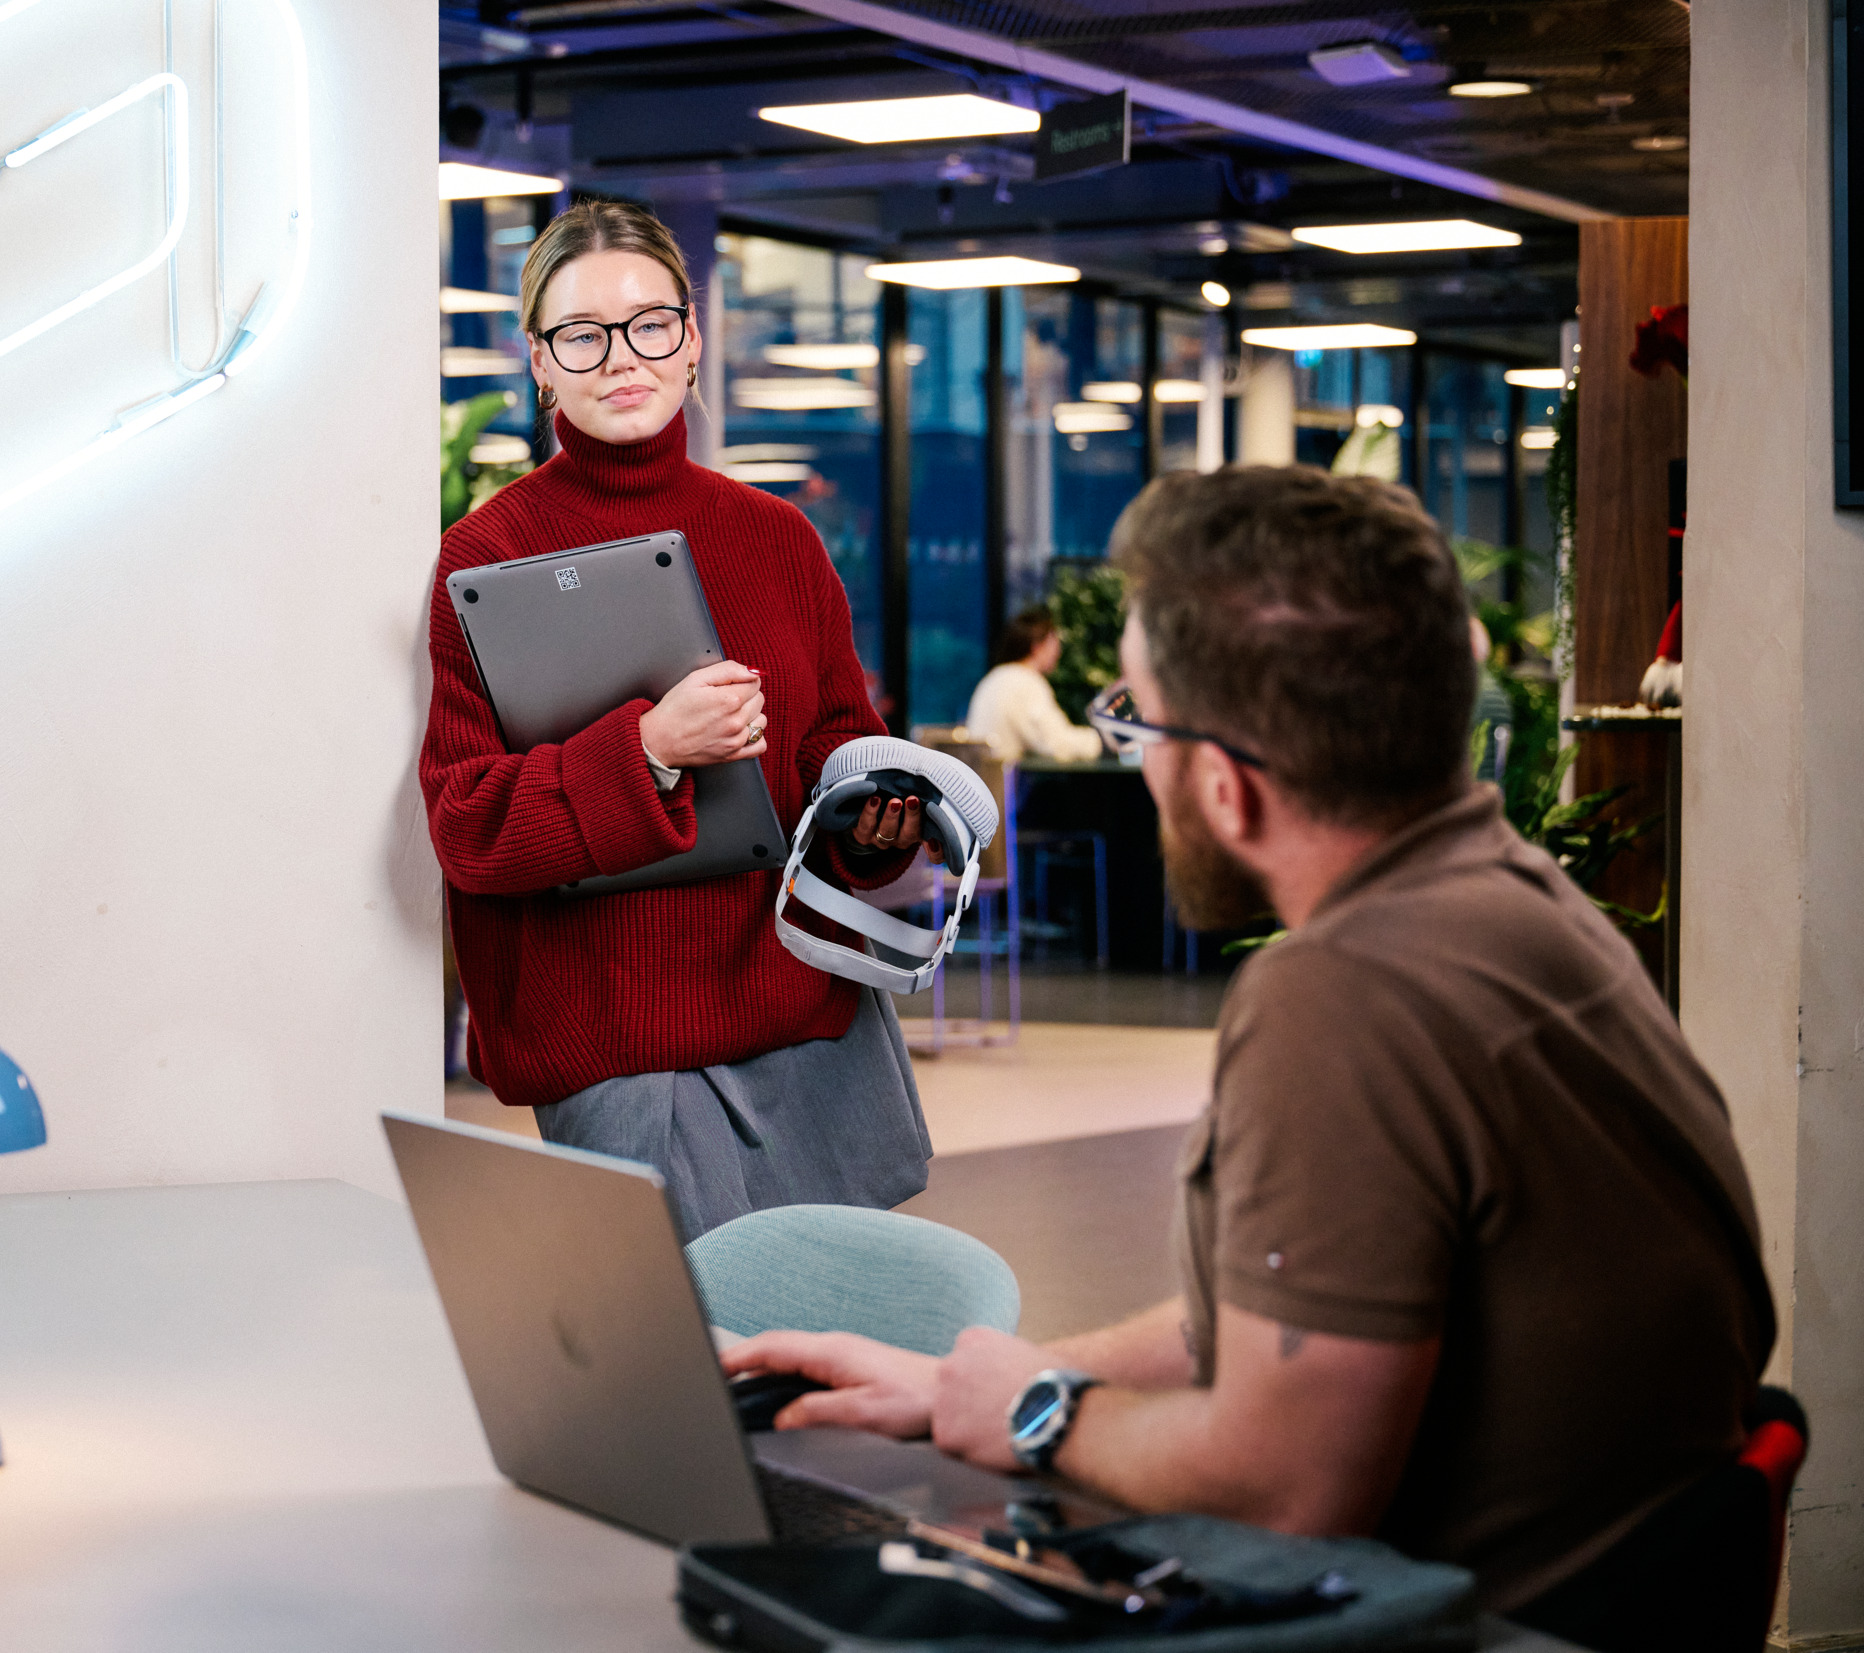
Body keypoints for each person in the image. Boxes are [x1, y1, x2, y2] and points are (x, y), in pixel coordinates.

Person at [724, 466, 1774, 1631]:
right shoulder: (1518, 907)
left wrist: (1041, 1416)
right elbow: (1299, 1327)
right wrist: (975, 1384)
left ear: (1222, 784)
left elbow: (1294, 1485)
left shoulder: (1342, 995)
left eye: (1137, 721)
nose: (1136, 757)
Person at [421, 199, 934, 1241]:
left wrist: (880, 811)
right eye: (581, 335)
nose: (622, 358)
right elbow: (468, 826)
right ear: (540, 362)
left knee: (829, 1359)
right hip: (615, 1047)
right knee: (683, 1371)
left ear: (692, 339)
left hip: (802, 1022)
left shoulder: (776, 538)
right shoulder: (486, 558)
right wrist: (649, 749)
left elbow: (833, 738)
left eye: (650, 324)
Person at [963, 607, 1104, 764]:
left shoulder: (994, 677)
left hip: (982, 781)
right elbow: (1055, 742)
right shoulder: (1025, 681)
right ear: (1036, 647)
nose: (1058, 651)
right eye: (1054, 642)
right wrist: (1102, 740)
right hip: (1005, 784)